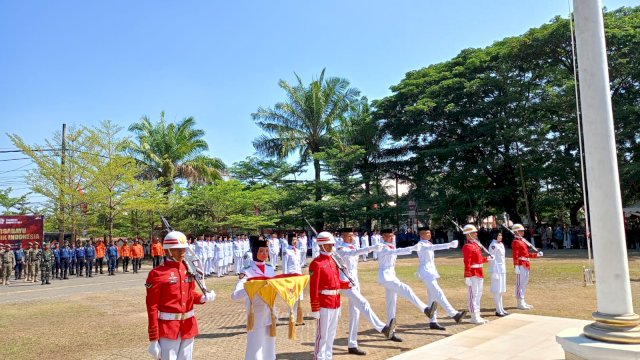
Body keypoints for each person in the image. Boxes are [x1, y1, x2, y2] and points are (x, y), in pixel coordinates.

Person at [146, 230, 215, 360]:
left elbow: (190, 294)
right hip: (169, 327)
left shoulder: (187, 269)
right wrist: (153, 339)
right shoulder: (157, 274)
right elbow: (152, 308)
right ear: (167, 251)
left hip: (188, 325)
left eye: (183, 249)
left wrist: (202, 298)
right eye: (177, 250)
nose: (182, 253)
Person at [335, 227, 397, 355]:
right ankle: (382, 328)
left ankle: (352, 344)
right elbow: (354, 253)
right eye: (348, 236)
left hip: (354, 281)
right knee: (363, 303)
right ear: (343, 236)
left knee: (355, 313)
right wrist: (372, 248)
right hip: (345, 282)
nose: (351, 238)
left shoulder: (351, 247)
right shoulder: (340, 249)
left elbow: (355, 256)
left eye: (352, 235)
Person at [377, 229, 437, 334]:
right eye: (389, 236)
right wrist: (412, 248)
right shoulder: (383, 247)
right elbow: (396, 251)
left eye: (392, 236)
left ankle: (390, 328)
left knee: (391, 302)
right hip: (386, 277)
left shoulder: (391, 245)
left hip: (391, 276)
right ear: (383, 237)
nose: (392, 238)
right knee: (406, 289)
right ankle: (425, 309)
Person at [231, 235, 276, 360]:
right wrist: (253, 286)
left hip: (270, 311)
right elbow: (235, 295)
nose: (264, 254)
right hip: (255, 312)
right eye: (261, 251)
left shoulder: (270, 269)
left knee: (269, 343)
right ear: (255, 251)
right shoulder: (247, 270)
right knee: (255, 344)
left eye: (266, 251)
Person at [309, 231, 351, 360]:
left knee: (331, 334)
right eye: (327, 245)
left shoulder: (333, 260)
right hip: (324, 302)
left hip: (335, 301)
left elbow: (334, 281)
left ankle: (328, 356)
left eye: (331, 245)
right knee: (323, 335)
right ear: (321, 245)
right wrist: (315, 307)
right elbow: (313, 287)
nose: (330, 247)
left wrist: (345, 284)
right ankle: (320, 357)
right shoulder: (316, 263)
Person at [415, 226, 467, 330]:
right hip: (426, 272)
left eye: (430, 233)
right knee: (438, 293)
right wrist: (449, 245)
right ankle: (454, 314)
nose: (429, 234)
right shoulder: (421, 244)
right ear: (421, 234)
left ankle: (433, 321)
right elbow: (434, 248)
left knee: (433, 297)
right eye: (427, 233)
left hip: (430, 272)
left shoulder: (427, 243)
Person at [462, 224, 494, 324]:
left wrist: (487, 259)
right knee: (473, 295)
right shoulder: (467, 247)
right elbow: (467, 262)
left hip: (479, 271)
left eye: (475, 232)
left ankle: (477, 314)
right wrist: (467, 276)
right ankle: (473, 316)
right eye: (473, 232)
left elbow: (479, 260)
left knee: (479, 294)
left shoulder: (475, 245)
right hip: (472, 273)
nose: (476, 234)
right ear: (468, 235)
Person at [511, 223, 543, 310]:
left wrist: (536, 255)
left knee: (524, 284)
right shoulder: (516, 242)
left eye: (522, 231)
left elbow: (526, 254)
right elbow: (515, 255)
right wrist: (516, 266)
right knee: (519, 284)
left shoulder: (522, 241)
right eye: (521, 231)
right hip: (520, 264)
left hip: (526, 264)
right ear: (516, 232)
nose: (523, 232)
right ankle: (519, 302)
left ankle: (522, 300)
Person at [281, 233, 305, 325]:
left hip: (298, 275)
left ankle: (298, 318)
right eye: (294, 239)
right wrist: (285, 278)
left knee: (298, 297)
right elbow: (284, 265)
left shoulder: (298, 251)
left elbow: (299, 264)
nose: (295, 241)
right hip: (290, 276)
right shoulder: (286, 251)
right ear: (290, 240)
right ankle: (292, 317)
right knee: (292, 298)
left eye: (296, 239)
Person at [488, 232, 508, 316]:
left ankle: (501, 308)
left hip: (502, 269)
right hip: (496, 270)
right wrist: (494, 271)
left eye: (501, 235)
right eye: (499, 235)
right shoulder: (493, 245)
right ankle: (498, 310)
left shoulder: (501, 244)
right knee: (497, 290)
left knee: (501, 290)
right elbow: (491, 259)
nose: (501, 236)